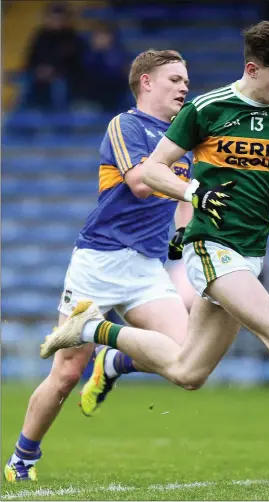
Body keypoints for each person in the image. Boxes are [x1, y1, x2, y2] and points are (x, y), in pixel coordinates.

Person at [40, 22, 269, 491]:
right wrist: (194, 191)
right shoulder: (207, 109)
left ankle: (91, 329)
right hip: (210, 247)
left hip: (251, 251)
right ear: (252, 68)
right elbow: (152, 170)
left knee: (187, 370)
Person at [4, 49, 194, 482]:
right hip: (100, 262)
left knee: (188, 360)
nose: (185, 86)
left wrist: (185, 232)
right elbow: (141, 184)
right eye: (175, 79)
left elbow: (182, 201)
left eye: (186, 80)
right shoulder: (126, 125)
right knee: (68, 371)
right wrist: (192, 191)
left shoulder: (180, 141)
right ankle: (23, 459)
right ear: (146, 82)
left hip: (146, 268)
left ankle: (112, 362)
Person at [22, 2, 84, 110]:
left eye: (59, 18)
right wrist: (39, 69)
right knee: (24, 81)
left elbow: (74, 63)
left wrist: (53, 71)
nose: (56, 22)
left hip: (63, 76)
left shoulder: (72, 37)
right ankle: (22, 116)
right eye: (53, 18)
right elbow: (31, 58)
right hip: (39, 73)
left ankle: (60, 116)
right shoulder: (40, 36)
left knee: (59, 85)